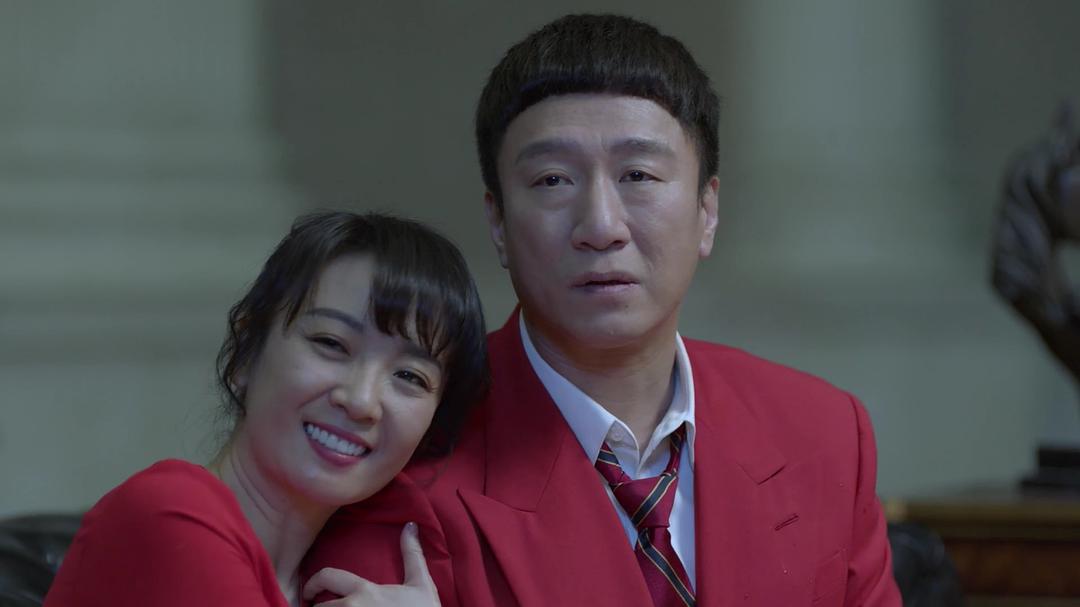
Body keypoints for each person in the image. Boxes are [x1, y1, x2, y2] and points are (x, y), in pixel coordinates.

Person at [304, 14, 902, 607]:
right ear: (498, 223)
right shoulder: (404, 457)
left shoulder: (823, 433)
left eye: (637, 174)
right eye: (553, 180)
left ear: (707, 210)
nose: (600, 226)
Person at [43, 211, 489, 606]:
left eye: (410, 376)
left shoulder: (331, 582)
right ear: (246, 353)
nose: (360, 401)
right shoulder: (170, 515)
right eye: (331, 343)